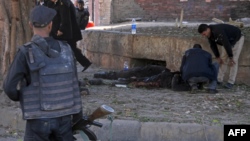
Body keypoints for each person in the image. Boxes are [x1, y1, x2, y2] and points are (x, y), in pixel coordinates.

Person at [3, 5, 82, 141]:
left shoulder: (25, 52)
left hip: (38, 120)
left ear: (30, 25)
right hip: (64, 118)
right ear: (50, 25)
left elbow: (9, 87)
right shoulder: (67, 49)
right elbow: (74, 84)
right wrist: (77, 116)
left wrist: (24, 96)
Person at [46, 0, 92, 72]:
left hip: (66, 32)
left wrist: (61, 29)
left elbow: (65, 18)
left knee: (71, 48)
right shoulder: (57, 3)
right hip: (64, 32)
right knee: (71, 48)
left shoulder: (63, 3)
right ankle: (84, 62)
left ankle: (84, 62)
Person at [198, 23, 244, 89]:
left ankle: (231, 82)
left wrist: (231, 57)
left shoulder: (218, 31)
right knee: (223, 60)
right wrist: (217, 57)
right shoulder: (209, 35)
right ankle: (219, 80)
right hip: (227, 42)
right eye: (202, 35)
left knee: (234, 61)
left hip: (236, 39)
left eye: (204, 34)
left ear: (207, 29)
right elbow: (213, 45)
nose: (203, 36)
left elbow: (226, 43)